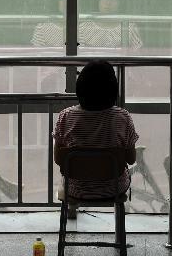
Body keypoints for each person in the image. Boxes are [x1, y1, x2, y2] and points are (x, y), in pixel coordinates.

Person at [52, 60, 139, 215]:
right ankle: (119, 235)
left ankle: (69, 216)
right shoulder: (122, 117)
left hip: (75, 189)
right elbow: (131, 159)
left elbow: (59, 158)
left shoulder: (66, 116)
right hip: (113, 189)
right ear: (112, 89)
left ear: (80, 87)